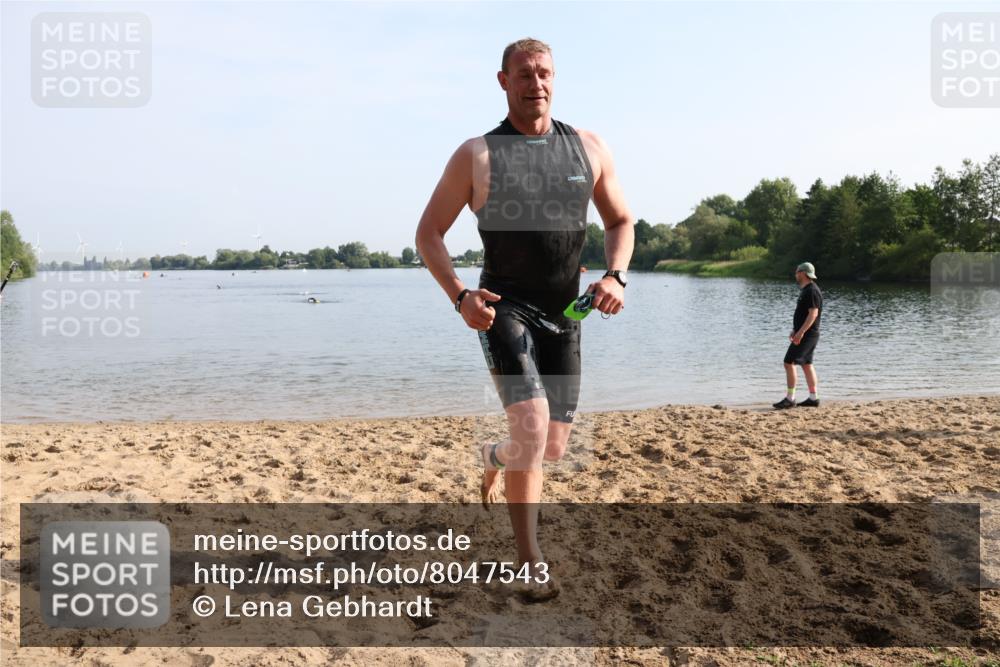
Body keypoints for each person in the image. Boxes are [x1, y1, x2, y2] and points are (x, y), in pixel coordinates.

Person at [415, 38, 634, 598]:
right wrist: (459, 295)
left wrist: (614, 275)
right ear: (503, 81)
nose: (535, 82)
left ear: (554, 79)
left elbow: (621, 221)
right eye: (524, 74)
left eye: (544, 73)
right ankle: (529, 561)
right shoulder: (478, 155)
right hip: (503, 309)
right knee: (533, 427)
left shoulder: (587, 148)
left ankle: (494, 456)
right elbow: (428, 234)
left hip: (565, 313)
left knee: (551, 447)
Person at [773, 262, 823, 409]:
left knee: (789, 362)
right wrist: (796, 329)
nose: (795, 274)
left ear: (803, 273)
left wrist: (800, 333)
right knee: (807, 364)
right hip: (807, 333)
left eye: (797, 272)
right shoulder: (807, 290)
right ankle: (813, 398)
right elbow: (803, 314)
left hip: (808, 334)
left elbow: (813, 314)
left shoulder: (812, 291)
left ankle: (790, 398)